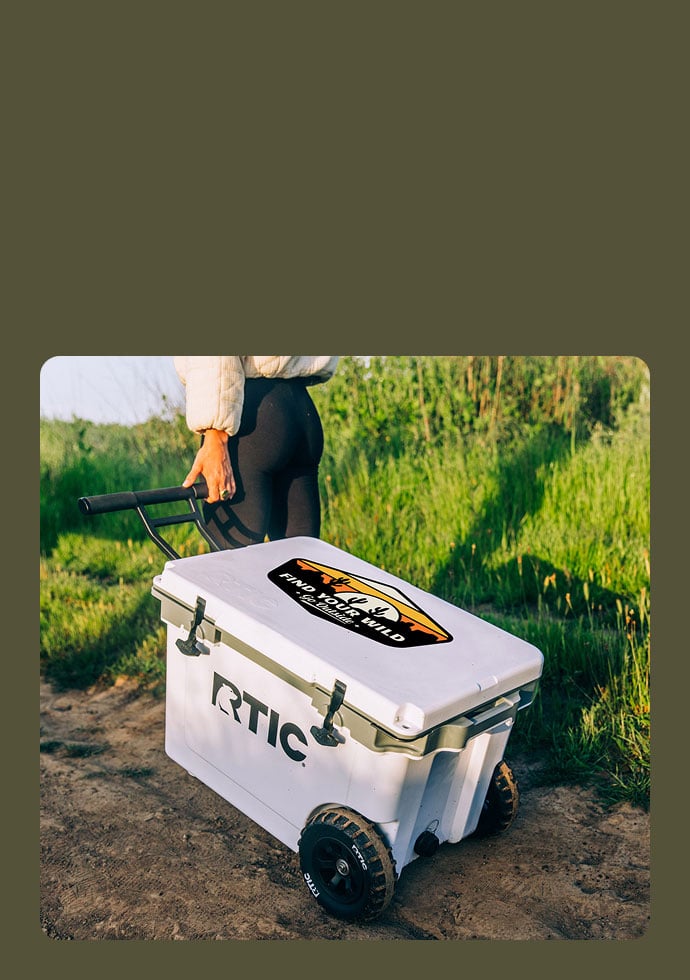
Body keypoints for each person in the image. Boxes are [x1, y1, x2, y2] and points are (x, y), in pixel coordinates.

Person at [174, 356, 339, 549]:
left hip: (251, 420)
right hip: (300, 410)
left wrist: (215, 432)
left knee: (230, 569)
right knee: (302, 564)